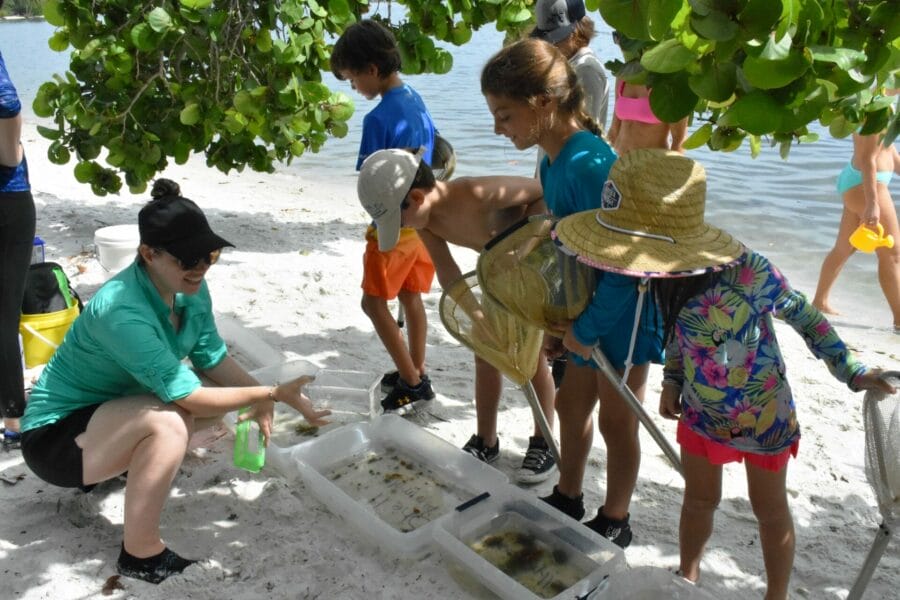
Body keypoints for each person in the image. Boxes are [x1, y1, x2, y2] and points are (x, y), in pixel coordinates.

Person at [553, 148, 897, 598]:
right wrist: (674, 379)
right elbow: (679, 333)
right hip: (701, 412)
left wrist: (851, 370)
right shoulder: (661, 277)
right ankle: (688, 577)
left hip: (763, 415)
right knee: (698, 501)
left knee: (770, 510)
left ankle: (776, 594)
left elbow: (807, 318)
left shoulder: (749, 271)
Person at [19, 181, 332, 584]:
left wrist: (261, 399)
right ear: (148, 253)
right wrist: (271, 392)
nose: (200, 266)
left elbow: (211, 357)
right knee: (169, 421)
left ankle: (129, 463)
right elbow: (190, 396)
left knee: (190, 412)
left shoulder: (189, 290)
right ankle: (141, 555)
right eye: (188, 258)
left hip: (107, 420)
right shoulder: (119, 309)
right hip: (55, 440)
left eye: (210, 254)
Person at [481, 38, 664, 547]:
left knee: (616, 418)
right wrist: (556, 320)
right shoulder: (549, 157)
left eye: (504, 114)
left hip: (624, 311)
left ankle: (616, 517)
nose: (498, 128)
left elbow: (628, 266)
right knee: (569, 407)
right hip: (584, 304)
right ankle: (569, 493)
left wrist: (586, 329)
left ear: (542, 103)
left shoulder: (590, 164)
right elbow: (564, 242)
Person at [356, 147, 559, 482]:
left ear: (418, 198)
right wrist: (477, 317)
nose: (402, 227)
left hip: (535, 269)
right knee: (486, 353)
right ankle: (486, 439)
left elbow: (543, 193)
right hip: (495, 275)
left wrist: (522, 248)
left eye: (398, 218)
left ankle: (543, 441)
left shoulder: (474, 193)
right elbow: (448, 272)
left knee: (532, 359)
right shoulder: (426, 223)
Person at [330, 19, 439, 412]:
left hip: (394, 225)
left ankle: (413, 381)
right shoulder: (414, 98)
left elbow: (371, 181)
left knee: (373, 304)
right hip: (423, 219)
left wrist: (376, 225)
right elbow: (435, 155)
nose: (354, 88)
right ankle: (416, 366)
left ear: (370, 69)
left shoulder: (376, 119)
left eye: (351, 78)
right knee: (411, 297)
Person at [531, 0, 610, 387]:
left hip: (578, 180)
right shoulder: (567, 66)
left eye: (555, 37)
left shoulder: (587, 70)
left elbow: (580, 128)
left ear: (577, 30)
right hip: (558, 174)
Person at [813, 116, 900, 333]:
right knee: (891, 254)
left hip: (860, 181)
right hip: (869, 184)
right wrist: (872, 203)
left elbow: (888, 150)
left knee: (844, 248)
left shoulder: (887, 98)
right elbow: (868, 157)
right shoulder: (877, 100)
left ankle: (819, 302)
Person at [0, 41, 33, 451]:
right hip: (7, 197)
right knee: (4, 314)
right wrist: (14, 150)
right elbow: (6, 102)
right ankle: (13, 418)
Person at [605, 31, 687, 154]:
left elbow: (679, 141)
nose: (620, 44)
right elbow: (614, 130)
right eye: (617, 36)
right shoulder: (623, 76)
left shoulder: (669, 82)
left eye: (624, 37)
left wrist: (672, 170)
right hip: (620, 164)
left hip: (652, 166)